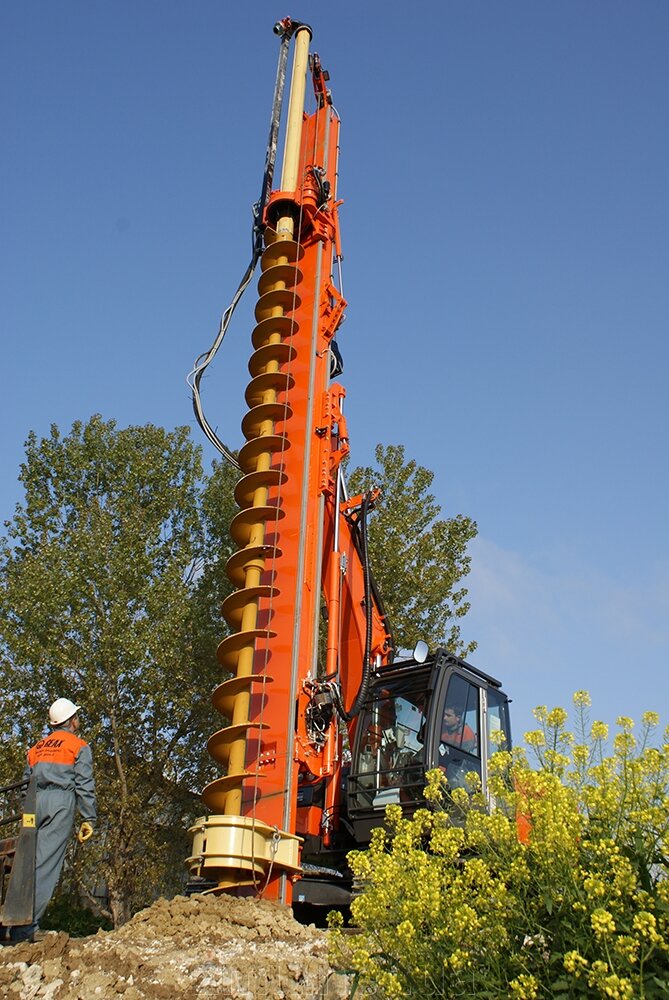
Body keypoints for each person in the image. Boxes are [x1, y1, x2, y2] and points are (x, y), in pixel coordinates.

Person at [10, 698, 97, 943]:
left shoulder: (36, 748)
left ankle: (12, 919)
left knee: (26, 863)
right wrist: (89, 817)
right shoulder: (78, 746)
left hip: (32, 803)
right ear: (71, 721)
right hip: (60, 802)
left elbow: (24, 784)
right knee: (45, 865)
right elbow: (84, 784)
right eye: (77, 716)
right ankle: (25, 928)